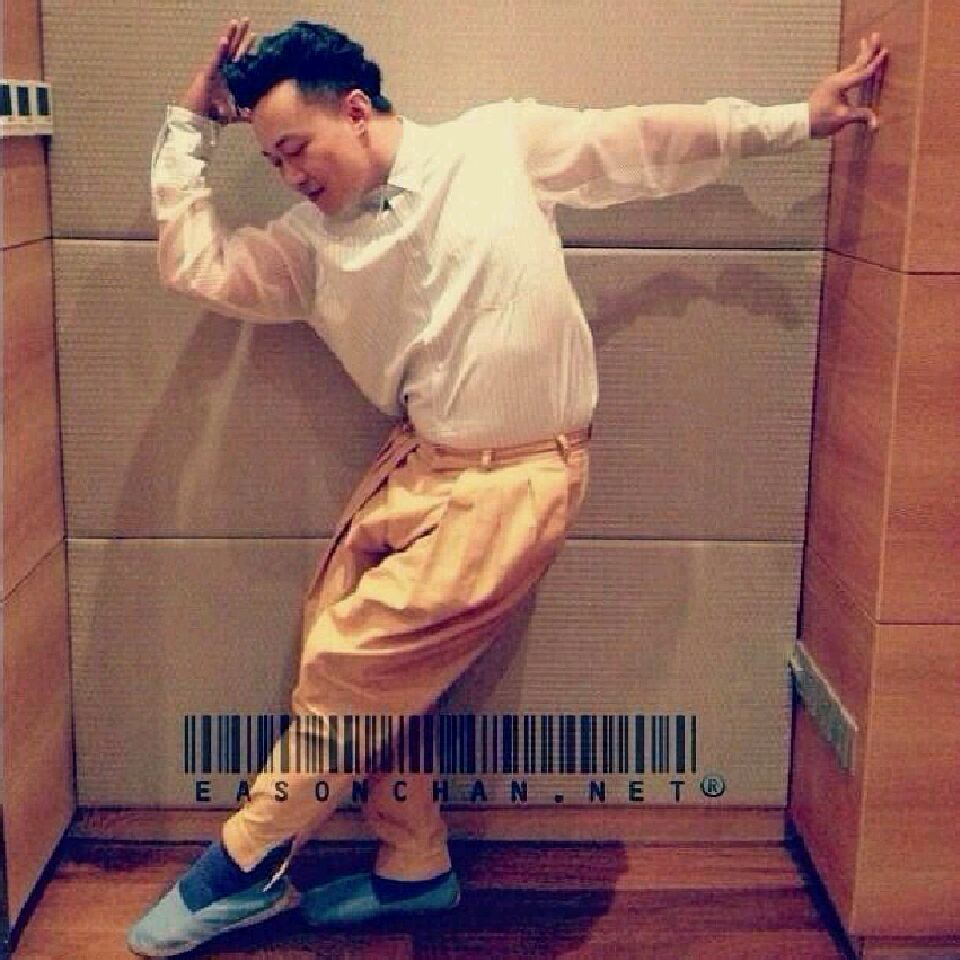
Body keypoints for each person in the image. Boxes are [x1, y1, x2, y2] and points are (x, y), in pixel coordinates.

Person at [129, 17, 888, 957]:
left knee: (351, 667)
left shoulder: (494, 145)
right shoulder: (306, 243)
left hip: (519, 480)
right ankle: (415, 866)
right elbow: (196, 264)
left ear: (355, 111)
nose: (288, 175)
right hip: (418, 464)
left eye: (295, 148)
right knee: (346, 644)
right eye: (272, 160)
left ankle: (241, 866)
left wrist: (794, 120)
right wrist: (186, 129)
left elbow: (642, 140)